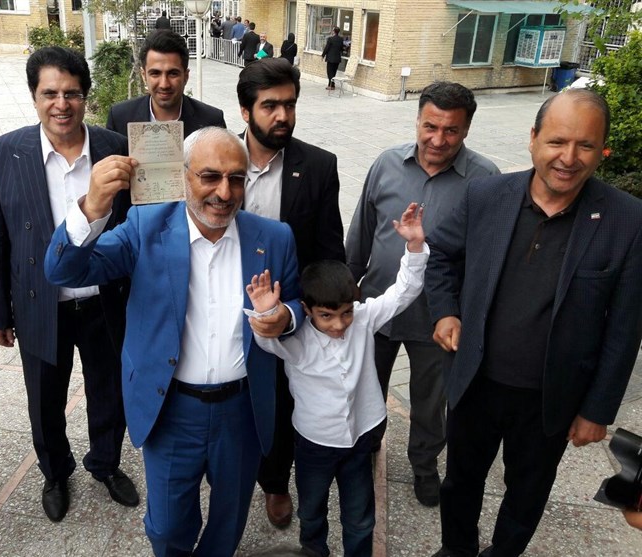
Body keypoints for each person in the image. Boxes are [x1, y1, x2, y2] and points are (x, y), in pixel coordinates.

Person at [44, 126, 303, 556]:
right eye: (210, 176)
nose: (224, 192)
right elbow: (65, 272)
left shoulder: (274, 238)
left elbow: (294, 304)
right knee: (165, 530)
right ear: (183, 176)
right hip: (172, 408)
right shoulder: (146, 226)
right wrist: (91, 208)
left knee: (229, 520)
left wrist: (285, 318)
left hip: (241, 409)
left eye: (236, 179)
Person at [425, 88, 642, 557]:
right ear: (533, 139)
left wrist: (597, 410)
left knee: (527, 492)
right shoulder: (485, 194)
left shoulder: (628, 220)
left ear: (602, 150)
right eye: (557, 141)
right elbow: (441, 255)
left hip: (551, 398)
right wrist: (444, 310)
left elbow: (626, 328)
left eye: (585, 145)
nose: (569, 158)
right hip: (475, 381)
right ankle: (456, 550)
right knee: (460, 480)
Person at [0, 46, 139, 523]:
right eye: (50, 93)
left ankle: (105, 463)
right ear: (34, 97)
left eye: (72, 93)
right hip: (39, 302)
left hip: (105, 300)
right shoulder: (4, 153)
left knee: (109, 391)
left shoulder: (116, 147)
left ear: (86, 97)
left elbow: (138, 226)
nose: (61, 104)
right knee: (45, 398)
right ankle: (54, 472)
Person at [346, 82, 499, 507]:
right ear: (417, 120)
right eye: (430, 126)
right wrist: (347, 291)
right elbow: (360, 234)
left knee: (431, 403)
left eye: (451, 130)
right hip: (377, 306)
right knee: (365, 387)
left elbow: (486, 258)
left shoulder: (485, 180)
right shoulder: (386, 164)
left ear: (466, 129)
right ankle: (365, 446)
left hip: (438, 317)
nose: (438, 139)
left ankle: (424, 465)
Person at [247, 202, 428, 557]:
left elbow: (403, 292)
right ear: (307, 310)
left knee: (360, 517)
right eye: (326, 316)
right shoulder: (297, 339)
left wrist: (415, 245)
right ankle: (314, 550)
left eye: (345, 313)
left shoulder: (364, 318)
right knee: (312, 510)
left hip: (360, 437)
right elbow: (267, 342)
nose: (339, 324)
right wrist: (267, 312)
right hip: (314, 443)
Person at [237, 57, 346, 527]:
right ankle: (229, 473)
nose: (283, 116)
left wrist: (312, 312)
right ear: (245, 111)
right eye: (270, 106)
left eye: (290, 104)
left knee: (280, 404)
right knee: (228, 398)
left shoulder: (318, 166)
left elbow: (328, 252)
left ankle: (276, 483)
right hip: (226, 309)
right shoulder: (218, 160)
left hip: (287, 316)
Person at [107, 30, 226, 138]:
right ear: (144, 76)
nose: (164, 84)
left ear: (186, 76)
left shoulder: (211, 122)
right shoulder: (120, 118)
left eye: (173, 74)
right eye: (155, 73)